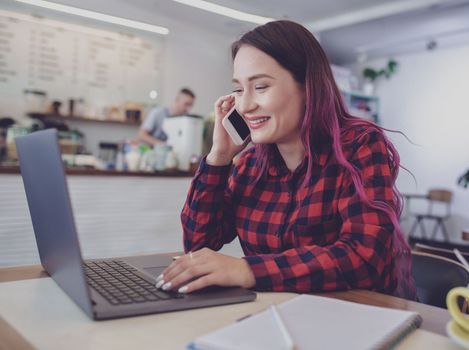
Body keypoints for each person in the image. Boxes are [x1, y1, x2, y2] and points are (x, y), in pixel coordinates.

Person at [155, 20, 416, 299]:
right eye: (239, 90)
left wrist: (248, 271)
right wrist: (219, 157)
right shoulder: (250, 163)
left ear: (307, 86)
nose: (244, 105)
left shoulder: (360, 145)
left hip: (359, 317)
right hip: (279, 318)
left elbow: (363, 258)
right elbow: (199, 243)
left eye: (261, 86)